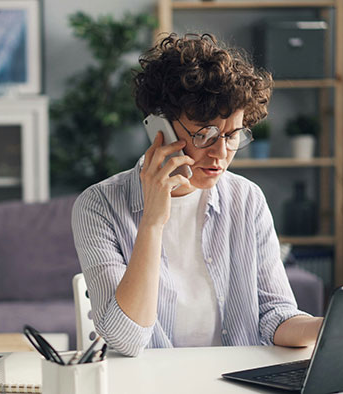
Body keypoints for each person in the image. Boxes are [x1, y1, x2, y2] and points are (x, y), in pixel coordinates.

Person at [71, 33, 324, 357]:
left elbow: (275, 315)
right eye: (205, 134)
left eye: (233, 135)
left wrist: (325, 326)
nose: (221, 153)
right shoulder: (99, 207)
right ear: (158, 127)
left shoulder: (247, 199)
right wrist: (152, 221)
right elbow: (127, 340)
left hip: (235, 381)